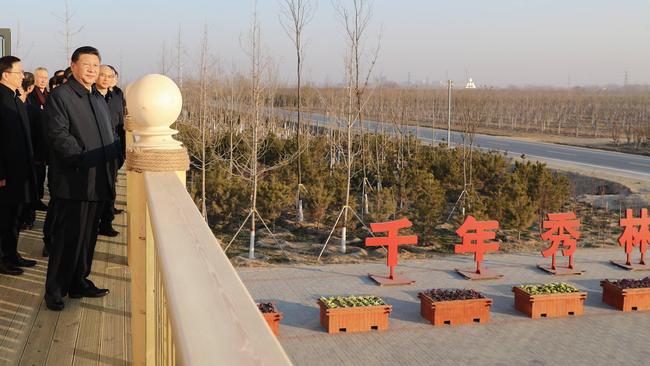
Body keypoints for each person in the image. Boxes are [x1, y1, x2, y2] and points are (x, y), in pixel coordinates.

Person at [43, 46, 119, 310]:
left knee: (88, 237)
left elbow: (109, 134)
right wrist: (85, 159)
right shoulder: (61, 96)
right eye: (86, 64)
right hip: (75, 180)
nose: (91, 69)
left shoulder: (96, 97)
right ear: (73, 66)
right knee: (67, 238)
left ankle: (79, 281)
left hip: (98, 180)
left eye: (95, 65)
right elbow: (58, 135)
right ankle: (55, 289)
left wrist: (115, 157)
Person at [0, 56, 38, 275]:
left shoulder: (15, 98)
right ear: (6, 74)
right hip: (6, 173)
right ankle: (3, 259)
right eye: (19, 72)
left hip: (20, 170)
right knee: (3, 217)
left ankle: (12, 254)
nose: (23, 76)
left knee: (14, 215)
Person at [94, 65, 125, 237]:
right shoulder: (91, 97)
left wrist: (122, 153)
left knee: (110, 188)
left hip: (113, 150)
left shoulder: (116, 98)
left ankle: (106, 223)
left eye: (110, 76)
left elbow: (121, 127)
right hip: (95, 152)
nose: (106, 79)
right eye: (102, 75)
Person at [27, 68, 50, 212]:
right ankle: (33, 201)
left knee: (41, 173)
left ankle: (39, 198)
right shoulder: (31, 96)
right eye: (40, 77)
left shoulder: (50, 95)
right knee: (35, 173)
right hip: (35, 138)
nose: (43, 80)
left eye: (45, 77)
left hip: (46, 138)